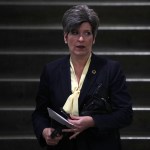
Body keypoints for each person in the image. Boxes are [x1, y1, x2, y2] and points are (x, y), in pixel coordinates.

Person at [32, 5, 133, 150]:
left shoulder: (111, 69)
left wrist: (92, 121)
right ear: (65, 37)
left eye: (87, 33)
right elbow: (40, 113)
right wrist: (44, 131)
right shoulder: (51, 70)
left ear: (94, 38)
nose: (81, 39)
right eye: (75, 32)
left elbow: (125, 114)